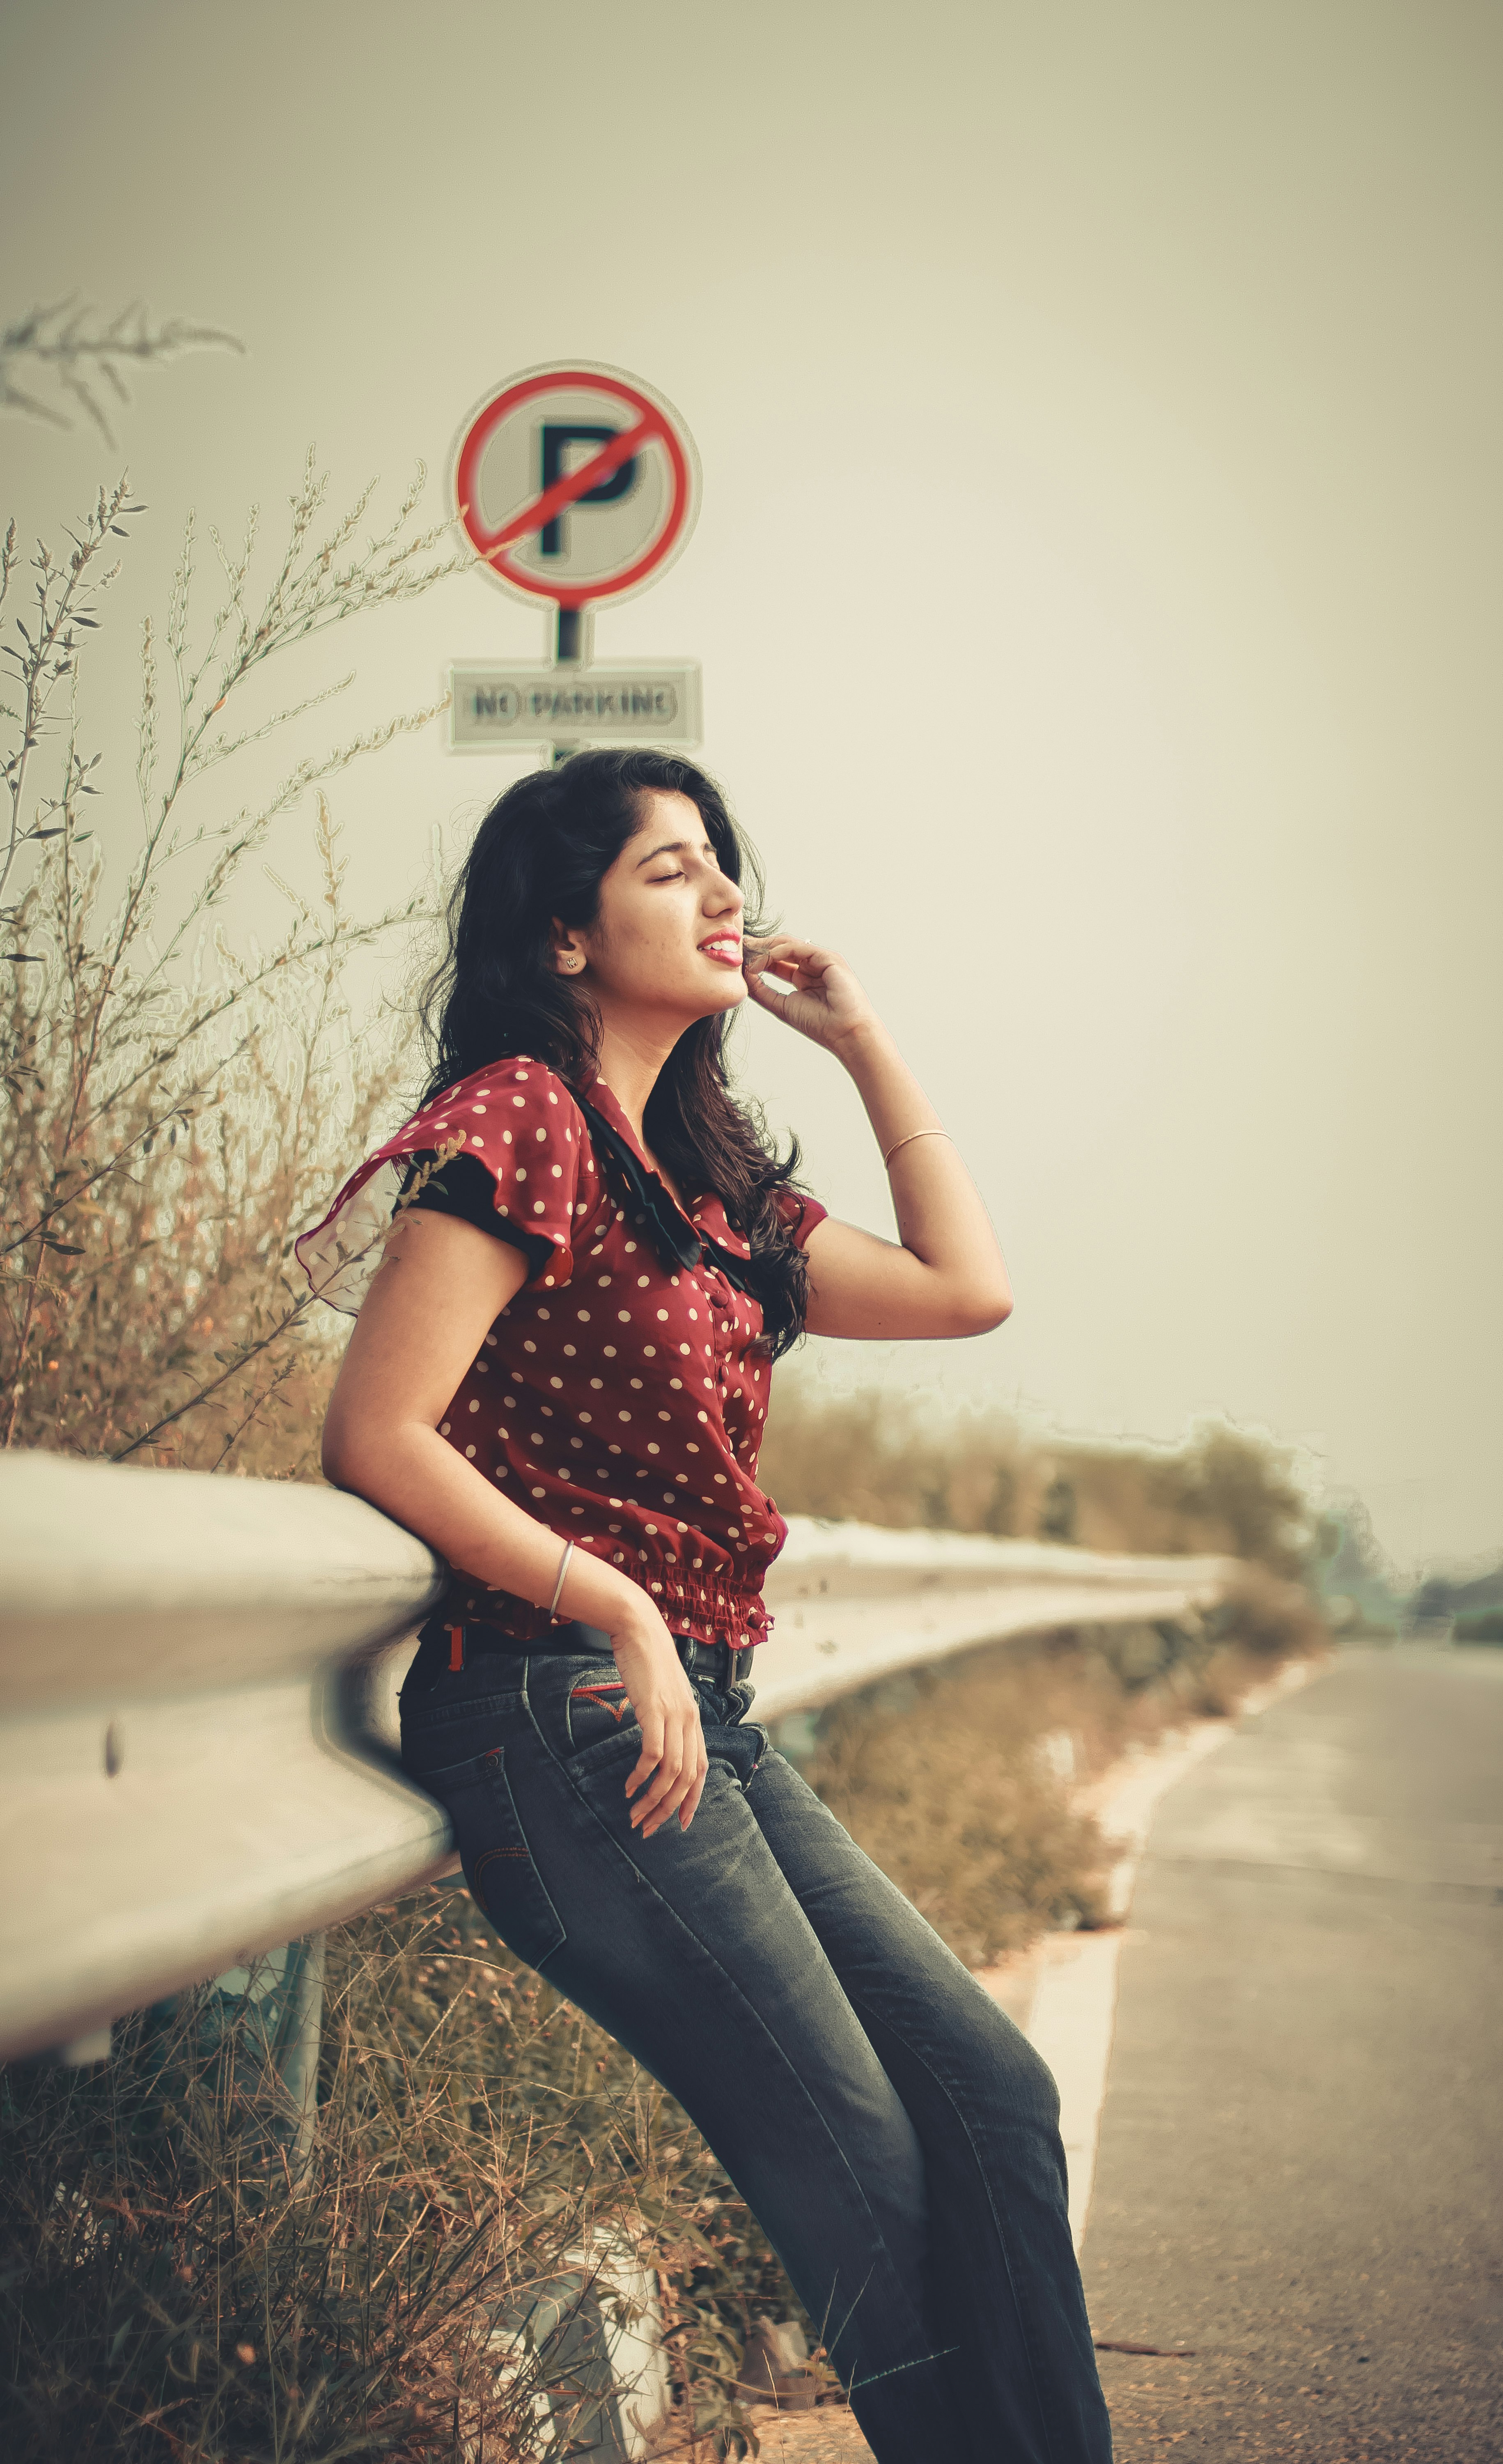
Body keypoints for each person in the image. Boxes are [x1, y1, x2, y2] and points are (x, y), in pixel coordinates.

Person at [301, 748, 1113, 2464]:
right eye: (672, 872)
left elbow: (971, 1290)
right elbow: (376, 1432)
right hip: (560, 1713)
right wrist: (618, 1608)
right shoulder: (521, 1118)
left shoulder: (714, 1190)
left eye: (723, 863)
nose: (725, 896)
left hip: (698, 1727)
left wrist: (863, 1035)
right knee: (872, 2197)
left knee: (991, 2102)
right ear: (565, 934)